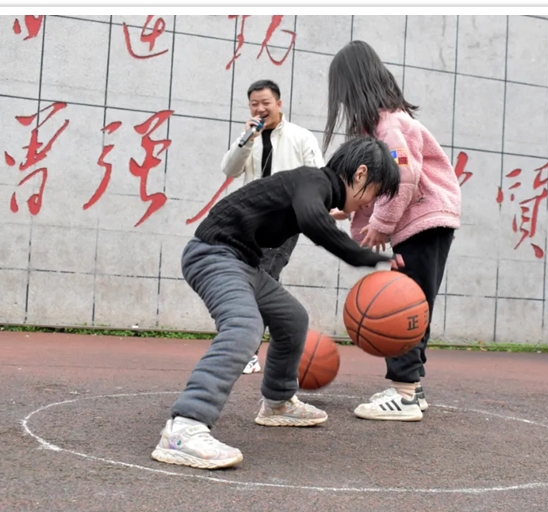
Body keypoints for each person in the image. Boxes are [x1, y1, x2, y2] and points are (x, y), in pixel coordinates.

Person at [151, 136, 404, 470]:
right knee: (244, 327)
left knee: (292, 319)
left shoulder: (316, 187)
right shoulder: (313, 181)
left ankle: (277, 402)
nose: (370, 203)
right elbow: (312, 220)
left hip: (243, 262)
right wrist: (367, 257)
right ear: (360, 174)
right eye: (375, 192)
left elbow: (313, 214)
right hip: (213, 254)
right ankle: (184, 427)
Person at [323, 40, 462, 422]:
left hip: (423, 223)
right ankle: (411, 388)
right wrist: (351, 209)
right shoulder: (382, 126)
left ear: (353, 86)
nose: (341, 100)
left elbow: (403, 175)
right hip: (424, 223)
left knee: (401, 304)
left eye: (341, 91)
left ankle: (404, 394)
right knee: (414, 303)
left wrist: (381, 224)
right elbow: (383, 181)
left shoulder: (390, 125)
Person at [221, 79, 325, 375]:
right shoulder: (248, 138)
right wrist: (246, 140)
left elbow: (318, 177)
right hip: (250, 220)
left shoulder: (300, 137)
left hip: (284, 222)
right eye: (254, 104)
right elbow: (229, 169)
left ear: (279, 104)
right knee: (256, 281)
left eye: (265, 103)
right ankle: (273, 342)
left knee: (261, 278)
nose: (260, 109)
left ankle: (248, 351)